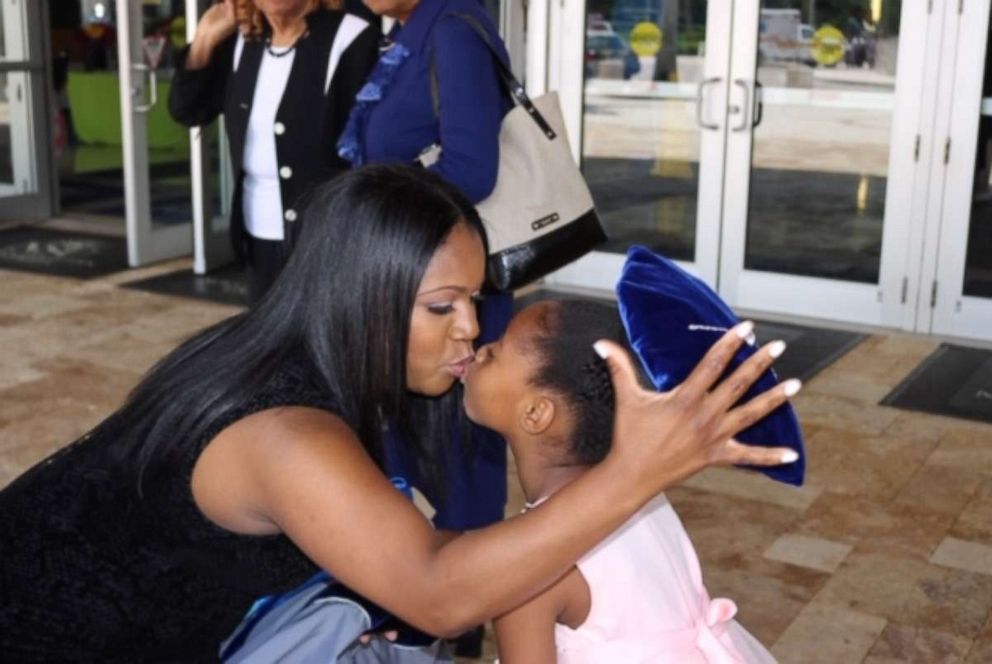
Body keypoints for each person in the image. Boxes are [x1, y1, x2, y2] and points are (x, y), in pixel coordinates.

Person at [0, 165, 798, 661]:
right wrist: (635, 470)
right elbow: (439, 593)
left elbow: (416, 557)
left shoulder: (295, 356)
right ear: (363, 299)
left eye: (475, 301)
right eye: (442, 305)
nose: (470, 330)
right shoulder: (286, 434)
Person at [464, 299, 785, 663]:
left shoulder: (527, 569)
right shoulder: (643, 493)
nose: (481, 349)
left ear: (536, 413)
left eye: (496, 351)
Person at [337, 0, 516, 600]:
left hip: (444, 288)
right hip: (404, 278)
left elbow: (473, 171)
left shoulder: (452, 30)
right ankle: (415, 575)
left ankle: (466, 593)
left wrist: (377, 207)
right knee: (408, 434)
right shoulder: (407, 33)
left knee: (458, 448)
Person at [169, 0, 379, 301]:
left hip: (328, 239)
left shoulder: (351, 37)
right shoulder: (245, 40)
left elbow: (369, 151)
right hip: (257, 233)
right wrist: (204, 39)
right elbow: (187, 110)